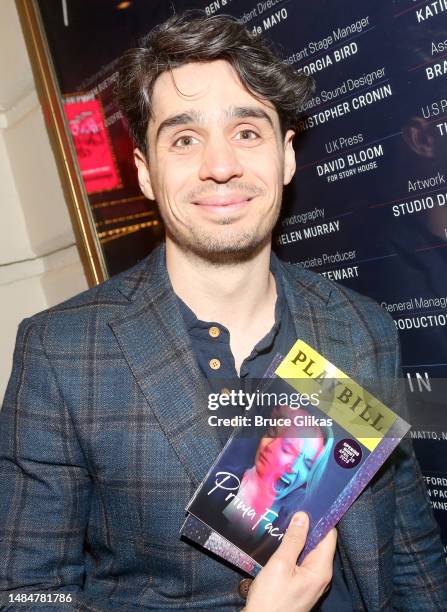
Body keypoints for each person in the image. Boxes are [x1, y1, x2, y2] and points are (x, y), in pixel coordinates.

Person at [1, 10, 446, 612]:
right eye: (184, 138)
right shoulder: (60, 354)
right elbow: (28, 595)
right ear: (145, 174)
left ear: (287, 157)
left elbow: (411, 546)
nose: (220, 165)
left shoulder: (362, 328)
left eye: (247, 131)